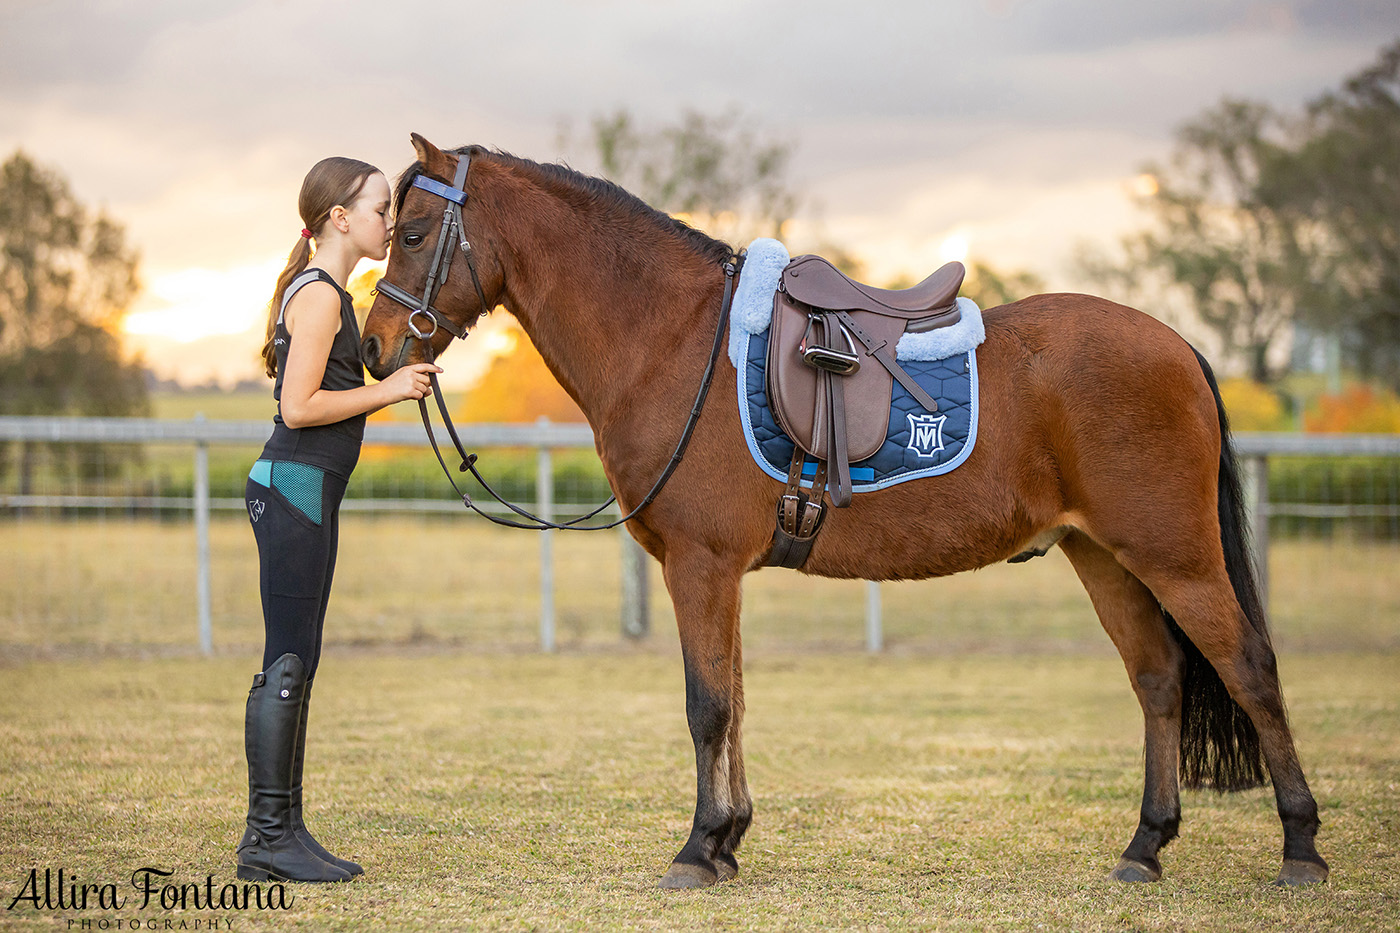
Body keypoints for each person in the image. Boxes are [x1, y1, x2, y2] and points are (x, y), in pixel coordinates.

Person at [238, 157, 439, 882]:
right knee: (287, 663)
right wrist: (388, 391)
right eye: (381, 208)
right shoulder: (321, 296)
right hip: (293, 488)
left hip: (301, 491)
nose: (390, 222)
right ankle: (266, 838)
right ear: (339, 218)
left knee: (298, 660)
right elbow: (298, 409)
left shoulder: (328, 292)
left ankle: (284, 830)